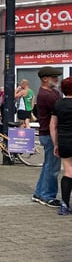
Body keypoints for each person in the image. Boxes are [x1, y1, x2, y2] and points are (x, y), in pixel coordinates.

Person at [33, 66, 63, 208]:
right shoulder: (47, 95)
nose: (57, 79)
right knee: (53, 167)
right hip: (51, 133)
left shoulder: (52, 93)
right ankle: (47, 196)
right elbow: (61, 111)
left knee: (47, 165)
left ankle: (39, 193)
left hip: (46, 133)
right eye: (54, 77)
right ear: (45, 79)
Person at [50, 76, 72, 216]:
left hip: (65, 141)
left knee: (68, 171)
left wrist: (55, 144)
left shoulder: (58, 104)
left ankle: (64, 205)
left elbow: (53, 125)